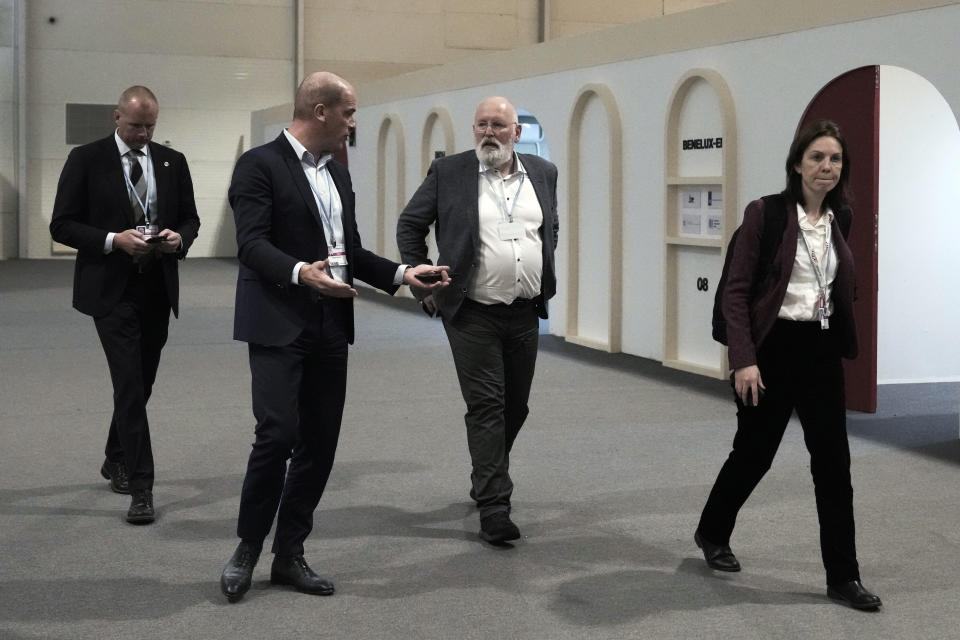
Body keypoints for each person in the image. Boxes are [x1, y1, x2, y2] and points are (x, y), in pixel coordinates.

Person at [219, 71, 449, 603]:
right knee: (276, 435)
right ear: (319, 110)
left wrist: (401, 274)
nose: (352, 122)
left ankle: (289, 553)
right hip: (278, 318)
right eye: (348, 112)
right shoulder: (259, 165)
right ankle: (247, 549)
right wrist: (302, 271)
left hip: (330, 323)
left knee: (319, 443)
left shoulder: (339, 174)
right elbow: (251, 245)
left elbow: (351, 251)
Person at [695, 120, 881, 610]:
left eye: (835, 159)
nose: (827, 166)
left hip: (820, 350)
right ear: (797, 163)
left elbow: (837, 282)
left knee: (834, 465)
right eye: (817, 157)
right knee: (754, 454)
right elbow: (736, 291)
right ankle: (712, 531)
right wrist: (744, 360)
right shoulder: (766, 213)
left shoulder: (842, 216)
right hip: (771, 350)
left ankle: (843, 576)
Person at [396, 96, 558, 545]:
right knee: (487, 405)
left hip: (524, 311)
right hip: (471, 312)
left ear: (517, 132)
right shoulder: (450, 173)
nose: (489, 132)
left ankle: (488, 470)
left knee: (516, 406)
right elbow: (410, 224)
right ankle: (495, 506)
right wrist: (421, 277)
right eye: (481, 125)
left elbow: (549, 228)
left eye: (498, 125)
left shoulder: (543, 174)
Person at [49, 86, 200, 525]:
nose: (143, 134)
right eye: (135, 125)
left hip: (156, 287)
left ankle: (115, 455)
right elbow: (62, 223)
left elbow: (190, 218)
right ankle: (142, 487)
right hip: (110, 290)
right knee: (130, 384)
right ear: (117, 117)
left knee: (143, 383)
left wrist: (179, 238)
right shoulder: (86, 159)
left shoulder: (173, 161)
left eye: (151, 126)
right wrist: (114, 240)